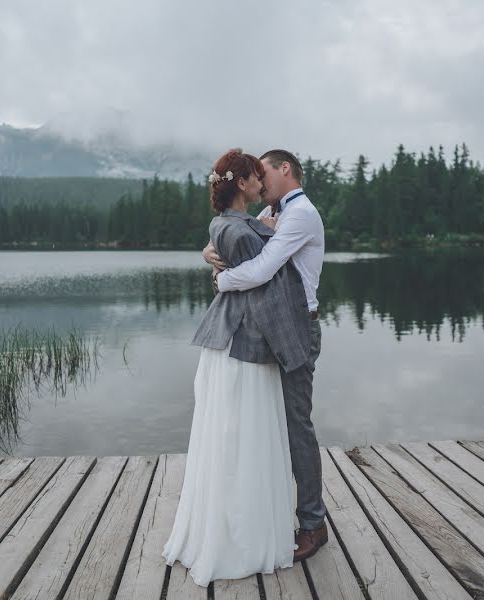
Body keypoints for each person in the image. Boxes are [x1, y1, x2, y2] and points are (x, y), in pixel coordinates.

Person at [163, 149, 311, 587]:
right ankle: (241, 540)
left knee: (228, 435)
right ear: (242, 183)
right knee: (245, 437)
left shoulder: (237, 222)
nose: (261, 181)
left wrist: (218, 264)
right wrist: (291, 347)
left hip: (224, 341)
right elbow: (265, 284)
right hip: (244, 346)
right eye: (254, 175)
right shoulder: (245, 228)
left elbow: (233, 242)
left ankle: (221, 529)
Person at [203, 149, 328, 562]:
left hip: (297, 328)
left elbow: (261, 268)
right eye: (253, 176)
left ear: (285, 169)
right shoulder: (277, 210)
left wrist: (221, 280)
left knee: (297, 426)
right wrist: (208, 251)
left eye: (265, 173)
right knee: (268, 423)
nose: (260, 181)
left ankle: (313, 524)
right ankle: (271, 516)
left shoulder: (302, 213)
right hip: (272, 327)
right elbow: (234, 232)